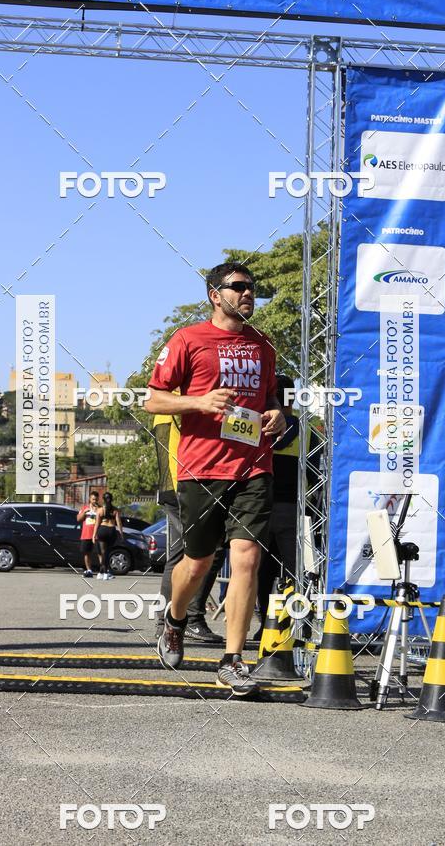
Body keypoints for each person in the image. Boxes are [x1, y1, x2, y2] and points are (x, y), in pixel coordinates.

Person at [145, 261, 286, 695]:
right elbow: (153, 401)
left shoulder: (263, 345)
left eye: (252, 288)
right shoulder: (189, 340)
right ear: (215, 295)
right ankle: (175, 618)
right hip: (201, 468)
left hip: (253, 466)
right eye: (238, 287)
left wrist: (279, 415)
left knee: (246, 558)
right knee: (199, 561)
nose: (248, 294)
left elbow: (272, 401)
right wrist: (200, 402)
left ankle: (232, 660)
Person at [255, 374, 320, 638]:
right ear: (293, 399)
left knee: (262, 572)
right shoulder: (308, 432)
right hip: (294, 509)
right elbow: (316, 477)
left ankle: (266, 626)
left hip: (260, 507)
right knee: (298, 571)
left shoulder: (259, 428)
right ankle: (300, 624)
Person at [152, 412, 225, 643]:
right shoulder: (179, 401)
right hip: (185, 487)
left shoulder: (165, 408)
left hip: (171, 488)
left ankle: (164, 622)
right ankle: (191, 618)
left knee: (176, 557)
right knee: (210, 551)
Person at [92, 491, 123, 581]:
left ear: (103, 499)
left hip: (102, 530)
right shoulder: (115, 510)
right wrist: (121, 533)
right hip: (111, 531)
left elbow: (97, 524)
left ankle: (101, 572)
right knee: (107, 553)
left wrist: (94, 535)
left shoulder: (100, 510)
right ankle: (105, 573)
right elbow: (119, 523)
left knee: (103, 553)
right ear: (111, 499)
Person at [77, 490, 100, 578]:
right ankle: (89, 570)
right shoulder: (84, 508)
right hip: (86, 534)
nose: (95, 501)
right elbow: (78, 519)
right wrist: (84, 512)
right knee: (87, 553)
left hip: (97, 535)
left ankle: (102, 570)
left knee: (100, 553)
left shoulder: (100, 509)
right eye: (93, 499)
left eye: (96, 500)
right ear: (90, 499)